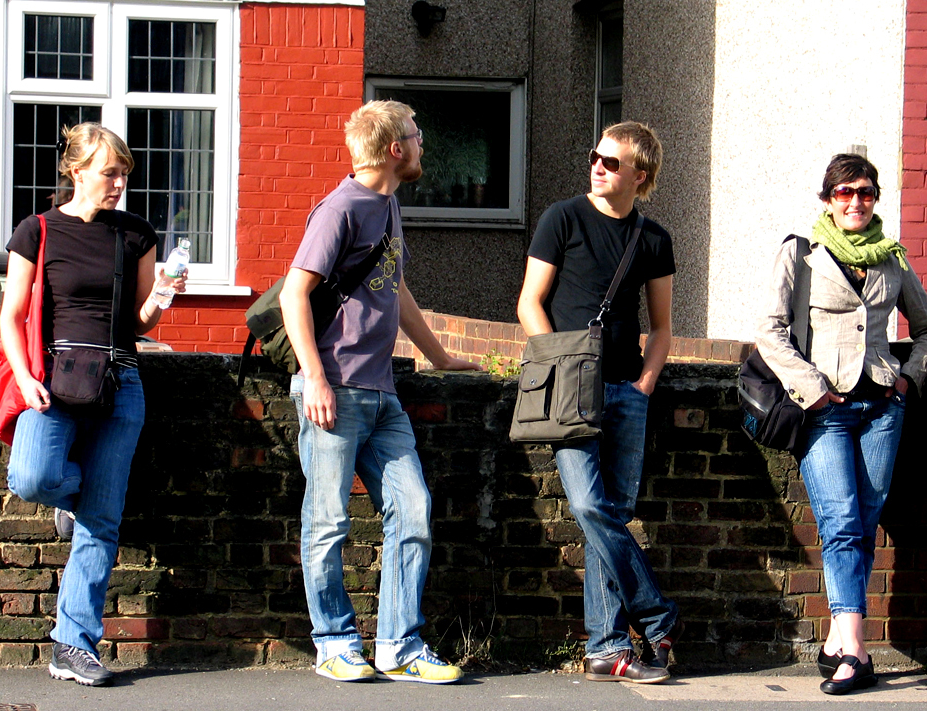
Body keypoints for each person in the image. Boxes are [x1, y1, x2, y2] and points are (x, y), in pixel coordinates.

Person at [282, 100, 480, 685]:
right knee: (326, 523)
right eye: (418, 137)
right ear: (396, 148)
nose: (423, 147)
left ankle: (399, 644)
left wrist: (439, 355)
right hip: (334, 391)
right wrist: (315, 377)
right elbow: (296, 294)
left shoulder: (389, 204)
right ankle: (334, 641)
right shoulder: (341, 208)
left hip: (383, 393)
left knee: (413, 510)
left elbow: (394, 288)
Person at [2, 122, 187, 686]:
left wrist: (160, 297)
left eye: (125, 173)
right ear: (76, 171)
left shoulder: (134, 234)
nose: (120, 183)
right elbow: (10, 316)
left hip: (120, 381)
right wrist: (24, 375)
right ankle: (75, 498)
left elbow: (138, 323)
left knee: (101, 523)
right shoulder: (37, 231)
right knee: (32, 477)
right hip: (54, 381)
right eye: (110, 172)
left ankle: (73, 645)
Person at [756, 153, 927, 695]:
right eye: (845, 193)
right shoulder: (801, 253)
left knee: (863, 519)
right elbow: (770, 332)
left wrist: (907, 379)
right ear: (827, 200)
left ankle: (839, 637)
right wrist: (812, 392)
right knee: (841, 523)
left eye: (865, 193)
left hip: (883, 408)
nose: (856, 202)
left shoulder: (892, 259)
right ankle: (856, 652)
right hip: (825, 412)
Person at [516, 121, 682, 684]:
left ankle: (607, 647)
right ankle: (658, 618)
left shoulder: (653, 238)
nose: (598, 166)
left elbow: (661, 327)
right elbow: (530, 304)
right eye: (596, 156)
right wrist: (559, 370)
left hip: (627, 391)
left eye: (612, 161)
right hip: (571, 391)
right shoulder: (562, 218)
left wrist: (645, 384)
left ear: (641, 173)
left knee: (608, 516)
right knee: (591, 506)